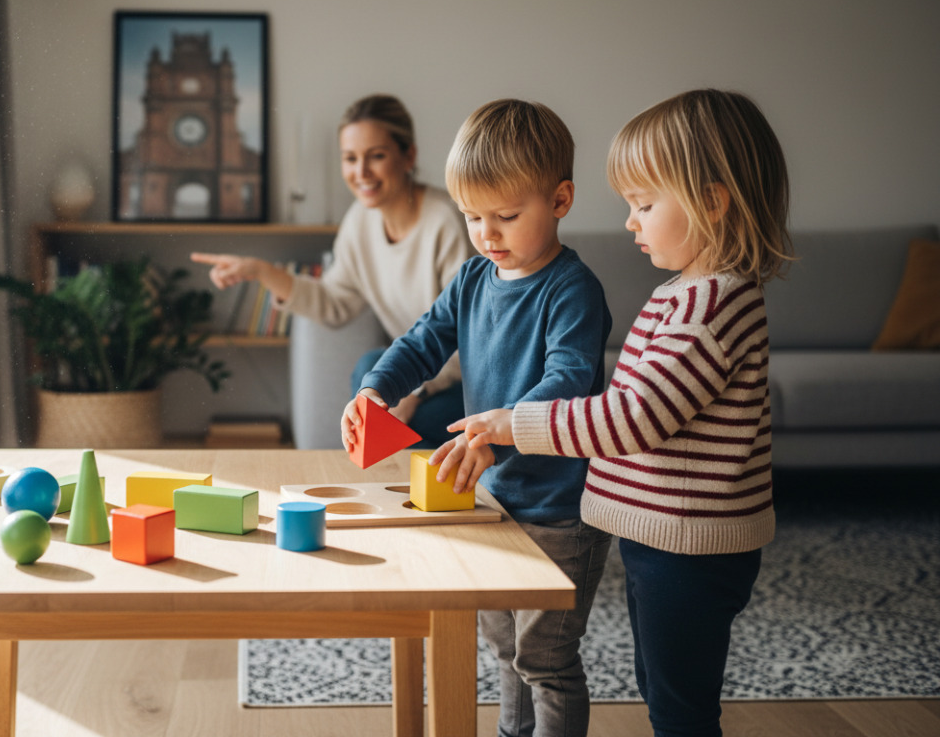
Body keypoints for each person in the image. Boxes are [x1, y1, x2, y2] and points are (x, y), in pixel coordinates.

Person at [447, 89, 793, 737]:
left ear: (711, 202)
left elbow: (631, 418)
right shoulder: (683, 294)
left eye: (643, 204)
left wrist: (511, 424)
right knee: (664, 689)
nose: (631, 222)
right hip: (659, 537)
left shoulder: (708, 307)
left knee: (679, 708)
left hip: (685, 548)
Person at [342, 99, 614, 737]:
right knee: (502, 650)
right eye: (471, 217)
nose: (487, 234)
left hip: (561, 510)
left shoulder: (572, 289)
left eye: (506, 216)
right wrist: (378, 388)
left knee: (545, 659)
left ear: (561, 199)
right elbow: (422, 341)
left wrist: (501, 429)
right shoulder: (472, 278)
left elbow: (567, 380)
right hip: (490, 502)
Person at [191, 94, 472, 447]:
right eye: (350, 159)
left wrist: (412, 393)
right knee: (370, 368)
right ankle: (399, 479)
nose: (361, 173)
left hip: (466, 381)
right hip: (416, 374)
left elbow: (466, 338)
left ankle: (412, 483)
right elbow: (335, 303)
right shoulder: (359, 221)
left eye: (377, 156)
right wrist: (262, 272)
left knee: (411, 421)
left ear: (409, 156)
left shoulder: (445, 222)